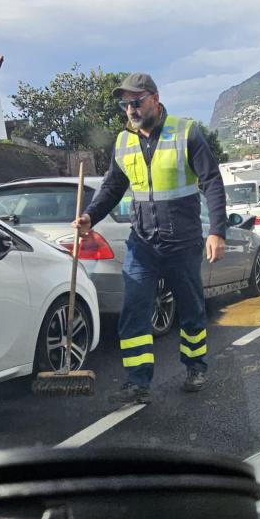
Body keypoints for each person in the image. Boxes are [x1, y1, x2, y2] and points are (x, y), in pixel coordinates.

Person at [74, 73, 227, 405]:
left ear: (155, 99)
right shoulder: (123, 141)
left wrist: (216, 230)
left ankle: (195, 366)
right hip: (142, 244)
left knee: (190, 310)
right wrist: (90, 216)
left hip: (183, 243)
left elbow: (212, 181)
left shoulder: (186, 132)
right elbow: (113, 187)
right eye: (124, 104)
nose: (130, 109)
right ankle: (137, 381)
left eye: (136, 101)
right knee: (134, 311)